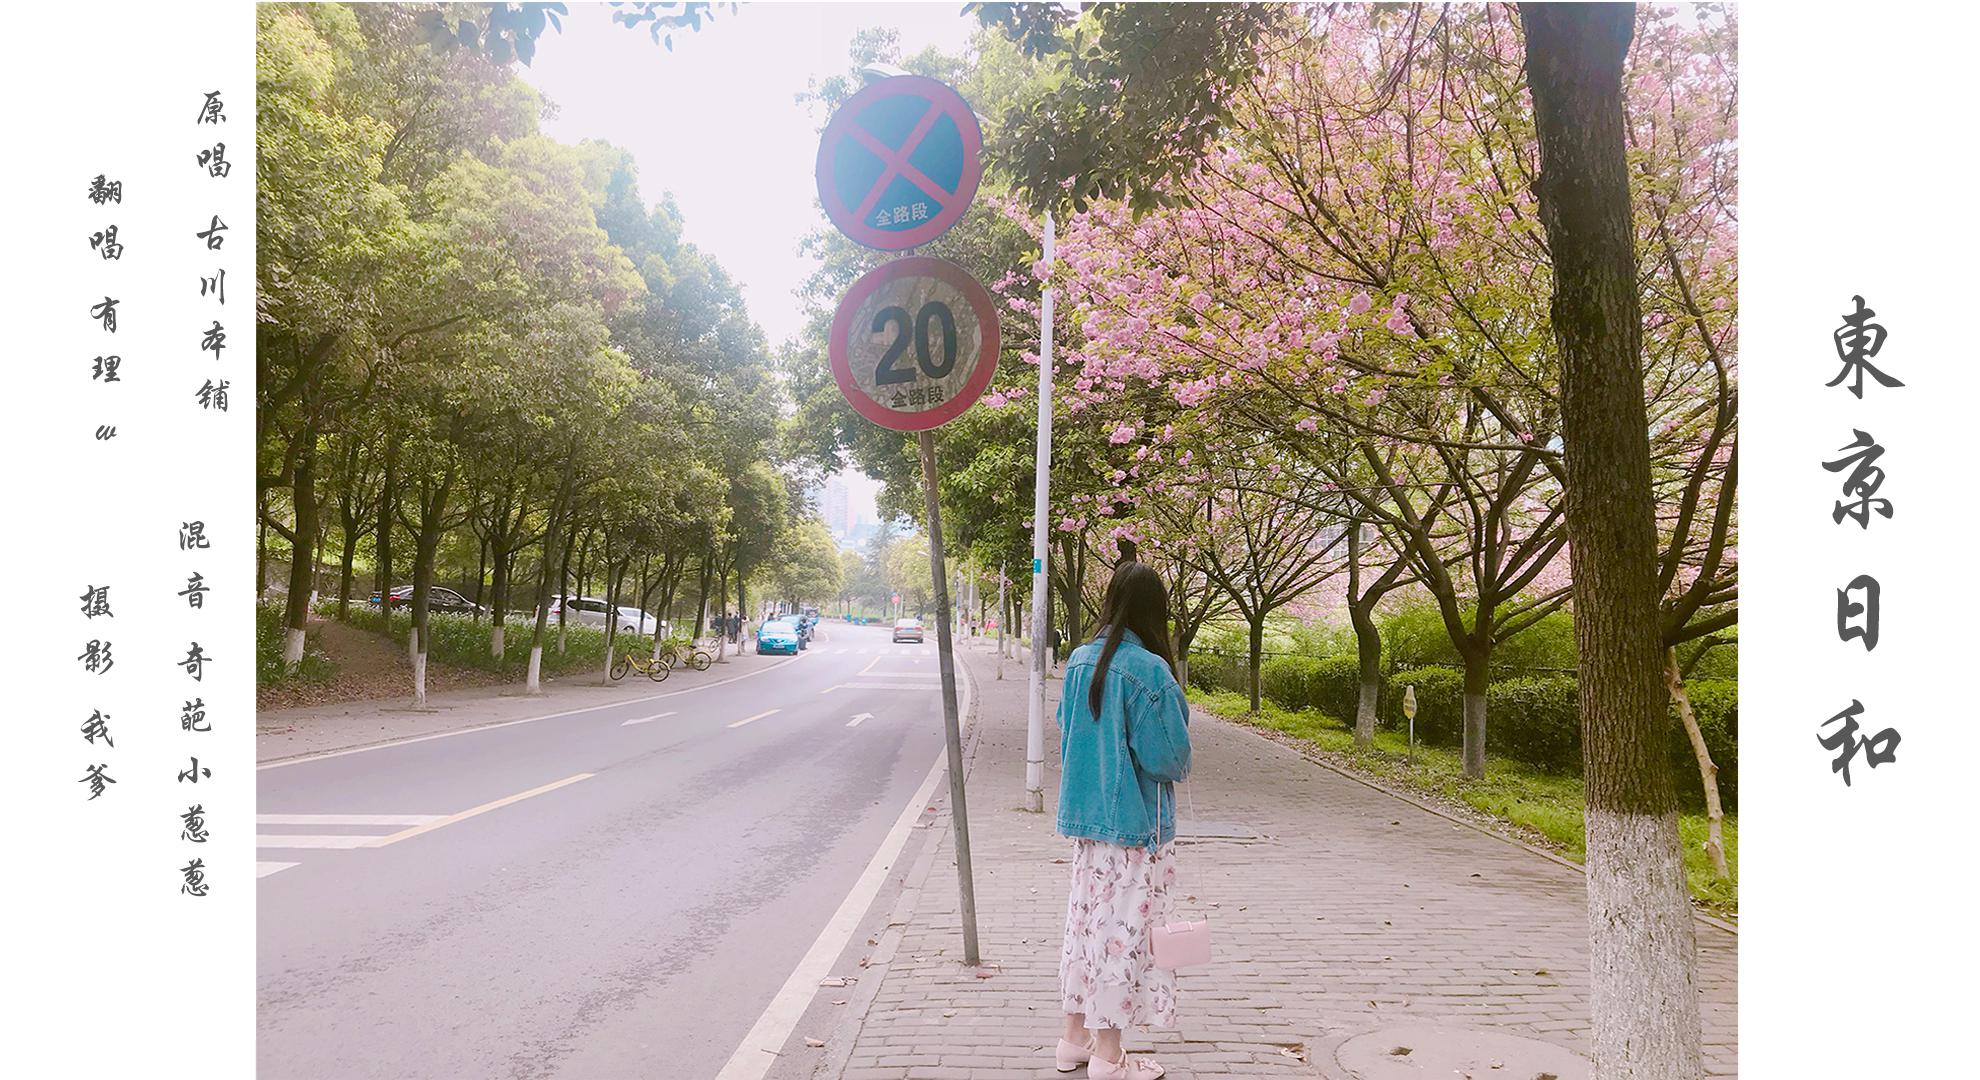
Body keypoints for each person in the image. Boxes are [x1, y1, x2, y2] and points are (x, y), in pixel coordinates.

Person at [1051, 562, 1191, 1079]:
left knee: (1086, 928)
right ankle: (1109, 1057)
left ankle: (1073, 1040)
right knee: (1122, 936)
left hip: (1087, 826)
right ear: (1156, 610)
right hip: (1135, 830)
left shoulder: (1079, 661)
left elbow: (1068, 732)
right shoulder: (1149, 669)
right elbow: (1169, 759)